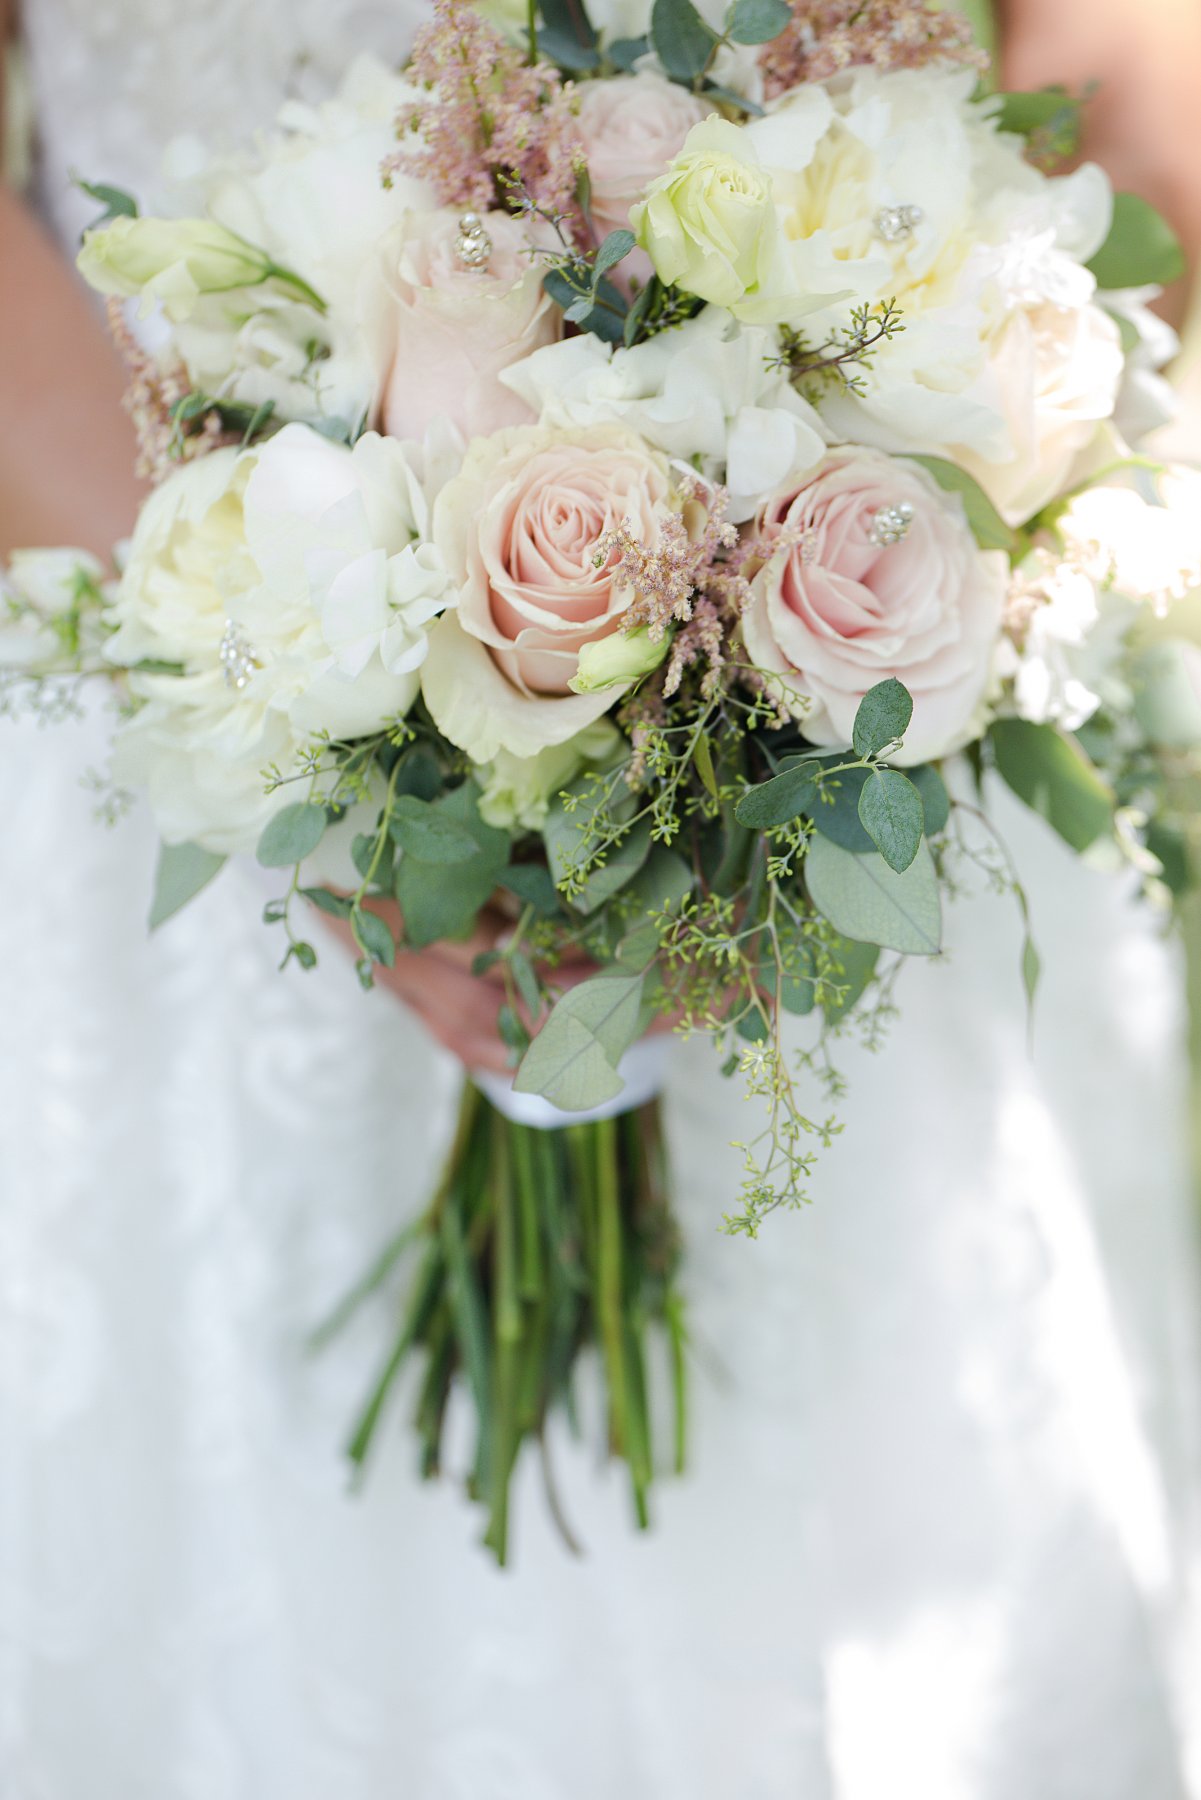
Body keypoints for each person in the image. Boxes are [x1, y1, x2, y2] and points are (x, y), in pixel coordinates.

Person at [2, 2, 1200, 1795]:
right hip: (163, 583)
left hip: (867, 634)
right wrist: (289, 708)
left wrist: (915, 539)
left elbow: (1131, 83)